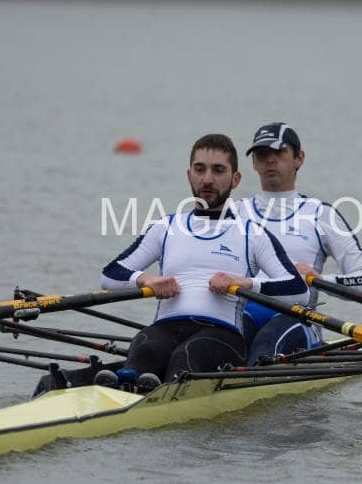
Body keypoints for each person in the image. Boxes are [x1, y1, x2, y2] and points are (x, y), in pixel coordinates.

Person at [99, 133, 309, 389]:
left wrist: (245, 284)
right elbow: (109, 275)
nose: (207, 179)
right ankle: (128, 390)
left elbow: (299, 291)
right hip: (166, 328)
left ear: (235, 179)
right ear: (189, 175)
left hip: (222, 336)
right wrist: (147, 280)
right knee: (145, 348)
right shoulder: (166, 227)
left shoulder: (252, 234)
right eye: (200, 169)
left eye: (218, 170)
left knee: (186, 356)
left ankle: (152, 394)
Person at [240, 122, 362, 365]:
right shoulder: (235, 213)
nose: (270, 160)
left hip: (299, 318)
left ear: (299, 158)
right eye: (262, 153)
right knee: (219, 341)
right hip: (245, 313)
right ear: (254, 163)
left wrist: (319, 279)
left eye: (279, 152)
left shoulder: (321, 214)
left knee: (265, 345)